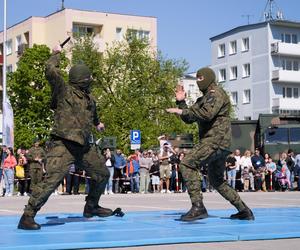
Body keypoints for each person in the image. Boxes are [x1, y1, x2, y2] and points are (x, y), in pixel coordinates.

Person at [18, 45, 114, 230]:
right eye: (88, 79)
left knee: (102, 174)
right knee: (52, 180)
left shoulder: (90, 99)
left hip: (84, 146)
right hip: (63, 144)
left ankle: (91, 206)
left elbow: (93, 117)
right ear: (82, 80)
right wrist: (55, 54)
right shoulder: (64, 90)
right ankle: (27, 216)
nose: (90, 81)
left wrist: (98, 124)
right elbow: (50, 71)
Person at [166, 67, 254, 221]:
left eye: (201, 79)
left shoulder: (216, 93)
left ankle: (198, 207)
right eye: (197, 79)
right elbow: (190, 117)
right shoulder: (205, 98)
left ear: (208, 78)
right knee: (216, 179)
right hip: (218, 142)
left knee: (187, 164)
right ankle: (244, 210)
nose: (199, 82)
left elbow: (206, 114)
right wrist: (181, 103)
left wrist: (181, 111)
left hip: (215, 140)